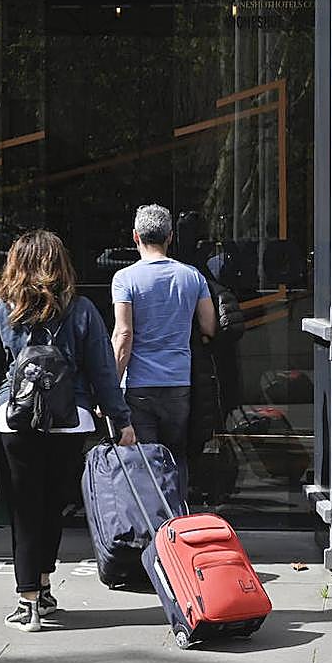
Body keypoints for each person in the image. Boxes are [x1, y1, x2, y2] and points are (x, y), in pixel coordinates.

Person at [0, 230, 135, 633]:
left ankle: (28, 605)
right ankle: (43, 587)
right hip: (70, 421)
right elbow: (103, 371)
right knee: (53, 507)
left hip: (15, 422)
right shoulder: (82, 311)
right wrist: (121, 419)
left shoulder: (2, 311)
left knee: (25, 512)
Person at [111, 205, 217, 497]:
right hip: (179, 382)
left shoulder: (124, 279)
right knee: (176, 456)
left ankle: (152, 529)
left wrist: (108, 385)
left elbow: (123, 334)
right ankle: (178, 525)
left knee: (144, 460)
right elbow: (209, 325)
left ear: (135, 237)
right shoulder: (192, 276)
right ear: (170, 237)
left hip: (140, 384)